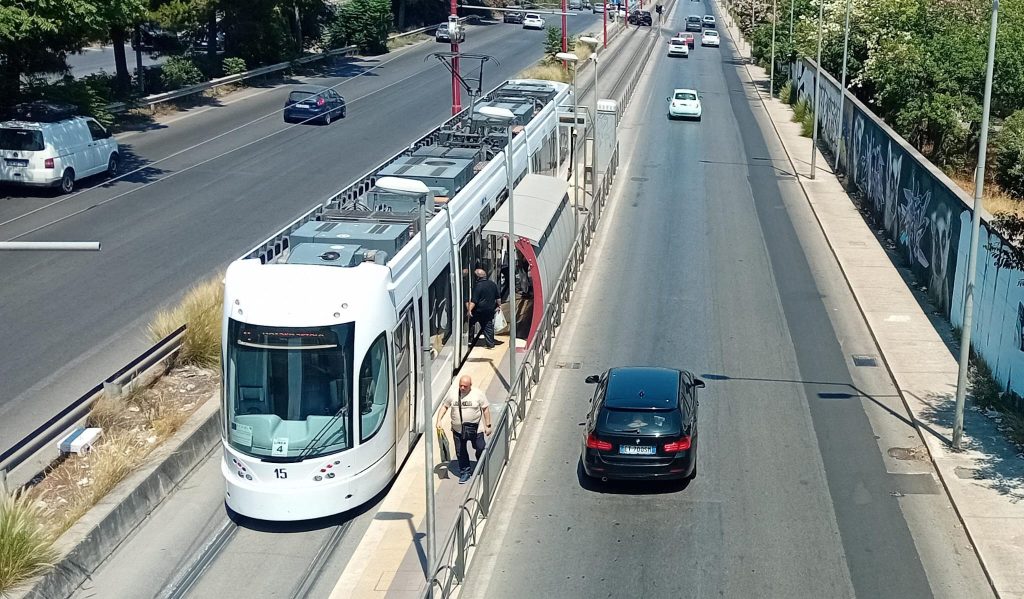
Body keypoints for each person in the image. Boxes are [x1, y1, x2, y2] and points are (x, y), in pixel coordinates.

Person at [436, 375, 493, 483]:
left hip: (476, 429)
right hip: (458, 430)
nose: (462, 388)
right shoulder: (452, 394)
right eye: (460, 385)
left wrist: (488, 426)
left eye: (465, 386)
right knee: (461, 452)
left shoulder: (478, 394)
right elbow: (445, 406)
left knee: (480, 447)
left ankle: (481, 462)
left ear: (470, 386)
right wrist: (439, 420)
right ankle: (465, 472)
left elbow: (485, 409)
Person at [467, 268, 500, 349]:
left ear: (477, 278)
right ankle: (490, 344)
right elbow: (498, 297)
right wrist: (499, 306)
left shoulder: (478, 286)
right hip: (489, 310)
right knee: (488, 326)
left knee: (470, 323)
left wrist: (469, 310)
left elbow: (474, 300)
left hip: (478, 310)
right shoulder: (492, 284)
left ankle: (469, 340)